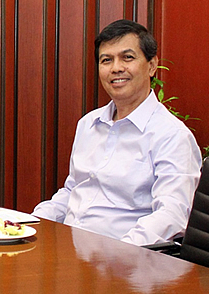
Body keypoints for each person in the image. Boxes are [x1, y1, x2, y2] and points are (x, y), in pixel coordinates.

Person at [32, 19, 202, 246]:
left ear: (152, 65)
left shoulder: (172, 136)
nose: (116, 68)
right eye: (106, 60)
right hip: (70, 252)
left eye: (127, 58)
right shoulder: (88, 124)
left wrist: (121, 251)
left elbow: (172, 215)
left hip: (128, 264)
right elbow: (73, 190)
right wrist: (29, 223)